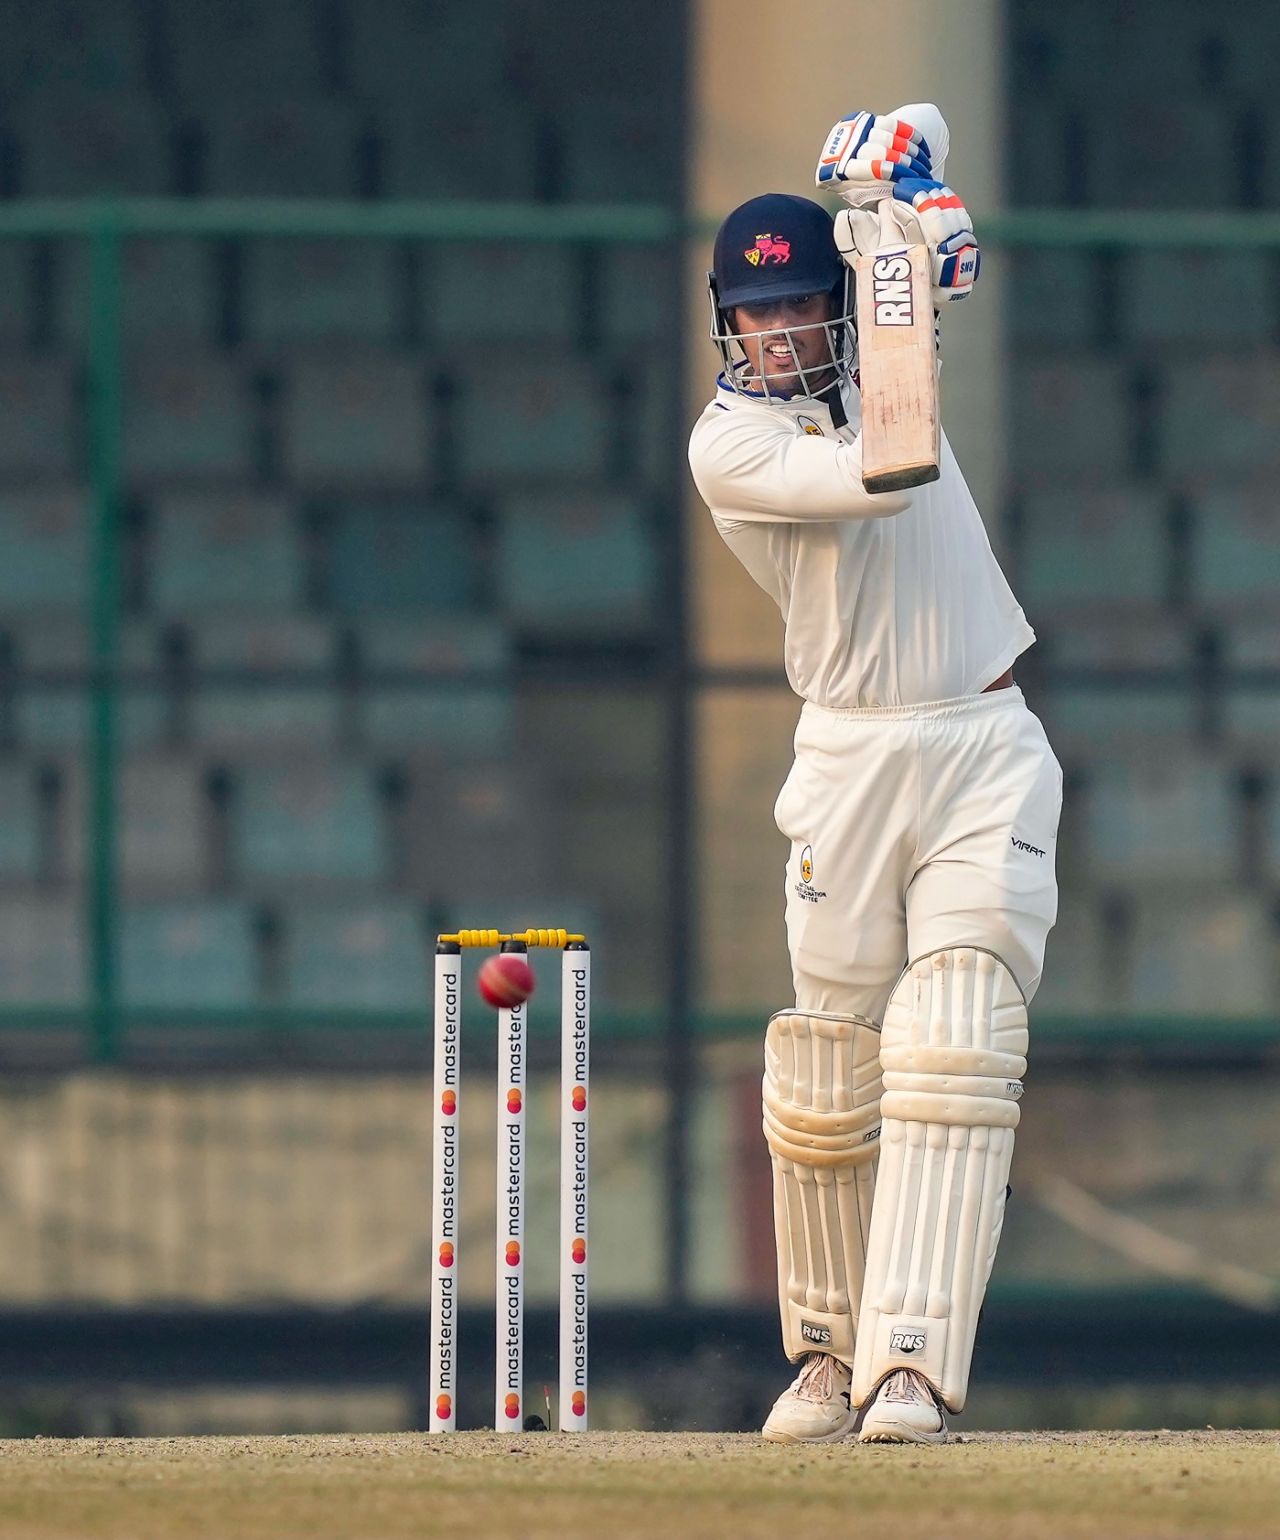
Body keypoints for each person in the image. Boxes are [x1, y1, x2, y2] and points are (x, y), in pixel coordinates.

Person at [688, 105, 1061, 1445]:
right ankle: (825, 1354)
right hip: (846, 756)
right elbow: (890, 468)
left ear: (834, 308)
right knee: (827, 1070)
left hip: (981, 744)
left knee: (956, 1035)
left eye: (802, 306)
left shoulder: (887, 345)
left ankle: (909, 1364)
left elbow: (921, 131)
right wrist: (902, 266)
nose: (781, 335)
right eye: (757, 315)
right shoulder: (729, 446)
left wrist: (906, 194)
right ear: (727, 327)